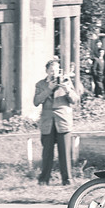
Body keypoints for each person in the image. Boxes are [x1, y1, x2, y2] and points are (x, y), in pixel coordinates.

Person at [34, 58, 79, 186]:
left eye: (56, 70)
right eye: (51, 70)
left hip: (63, 121)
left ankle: (67, 180)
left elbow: (75, 100)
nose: (54, 73)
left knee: (64, 153)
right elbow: (36, 101)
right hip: (47, 123)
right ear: (47, 71)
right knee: (47, 153)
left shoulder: (66, 81)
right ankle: (43, 180)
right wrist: (49, 89)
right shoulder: (40, 84)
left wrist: (67, 90)